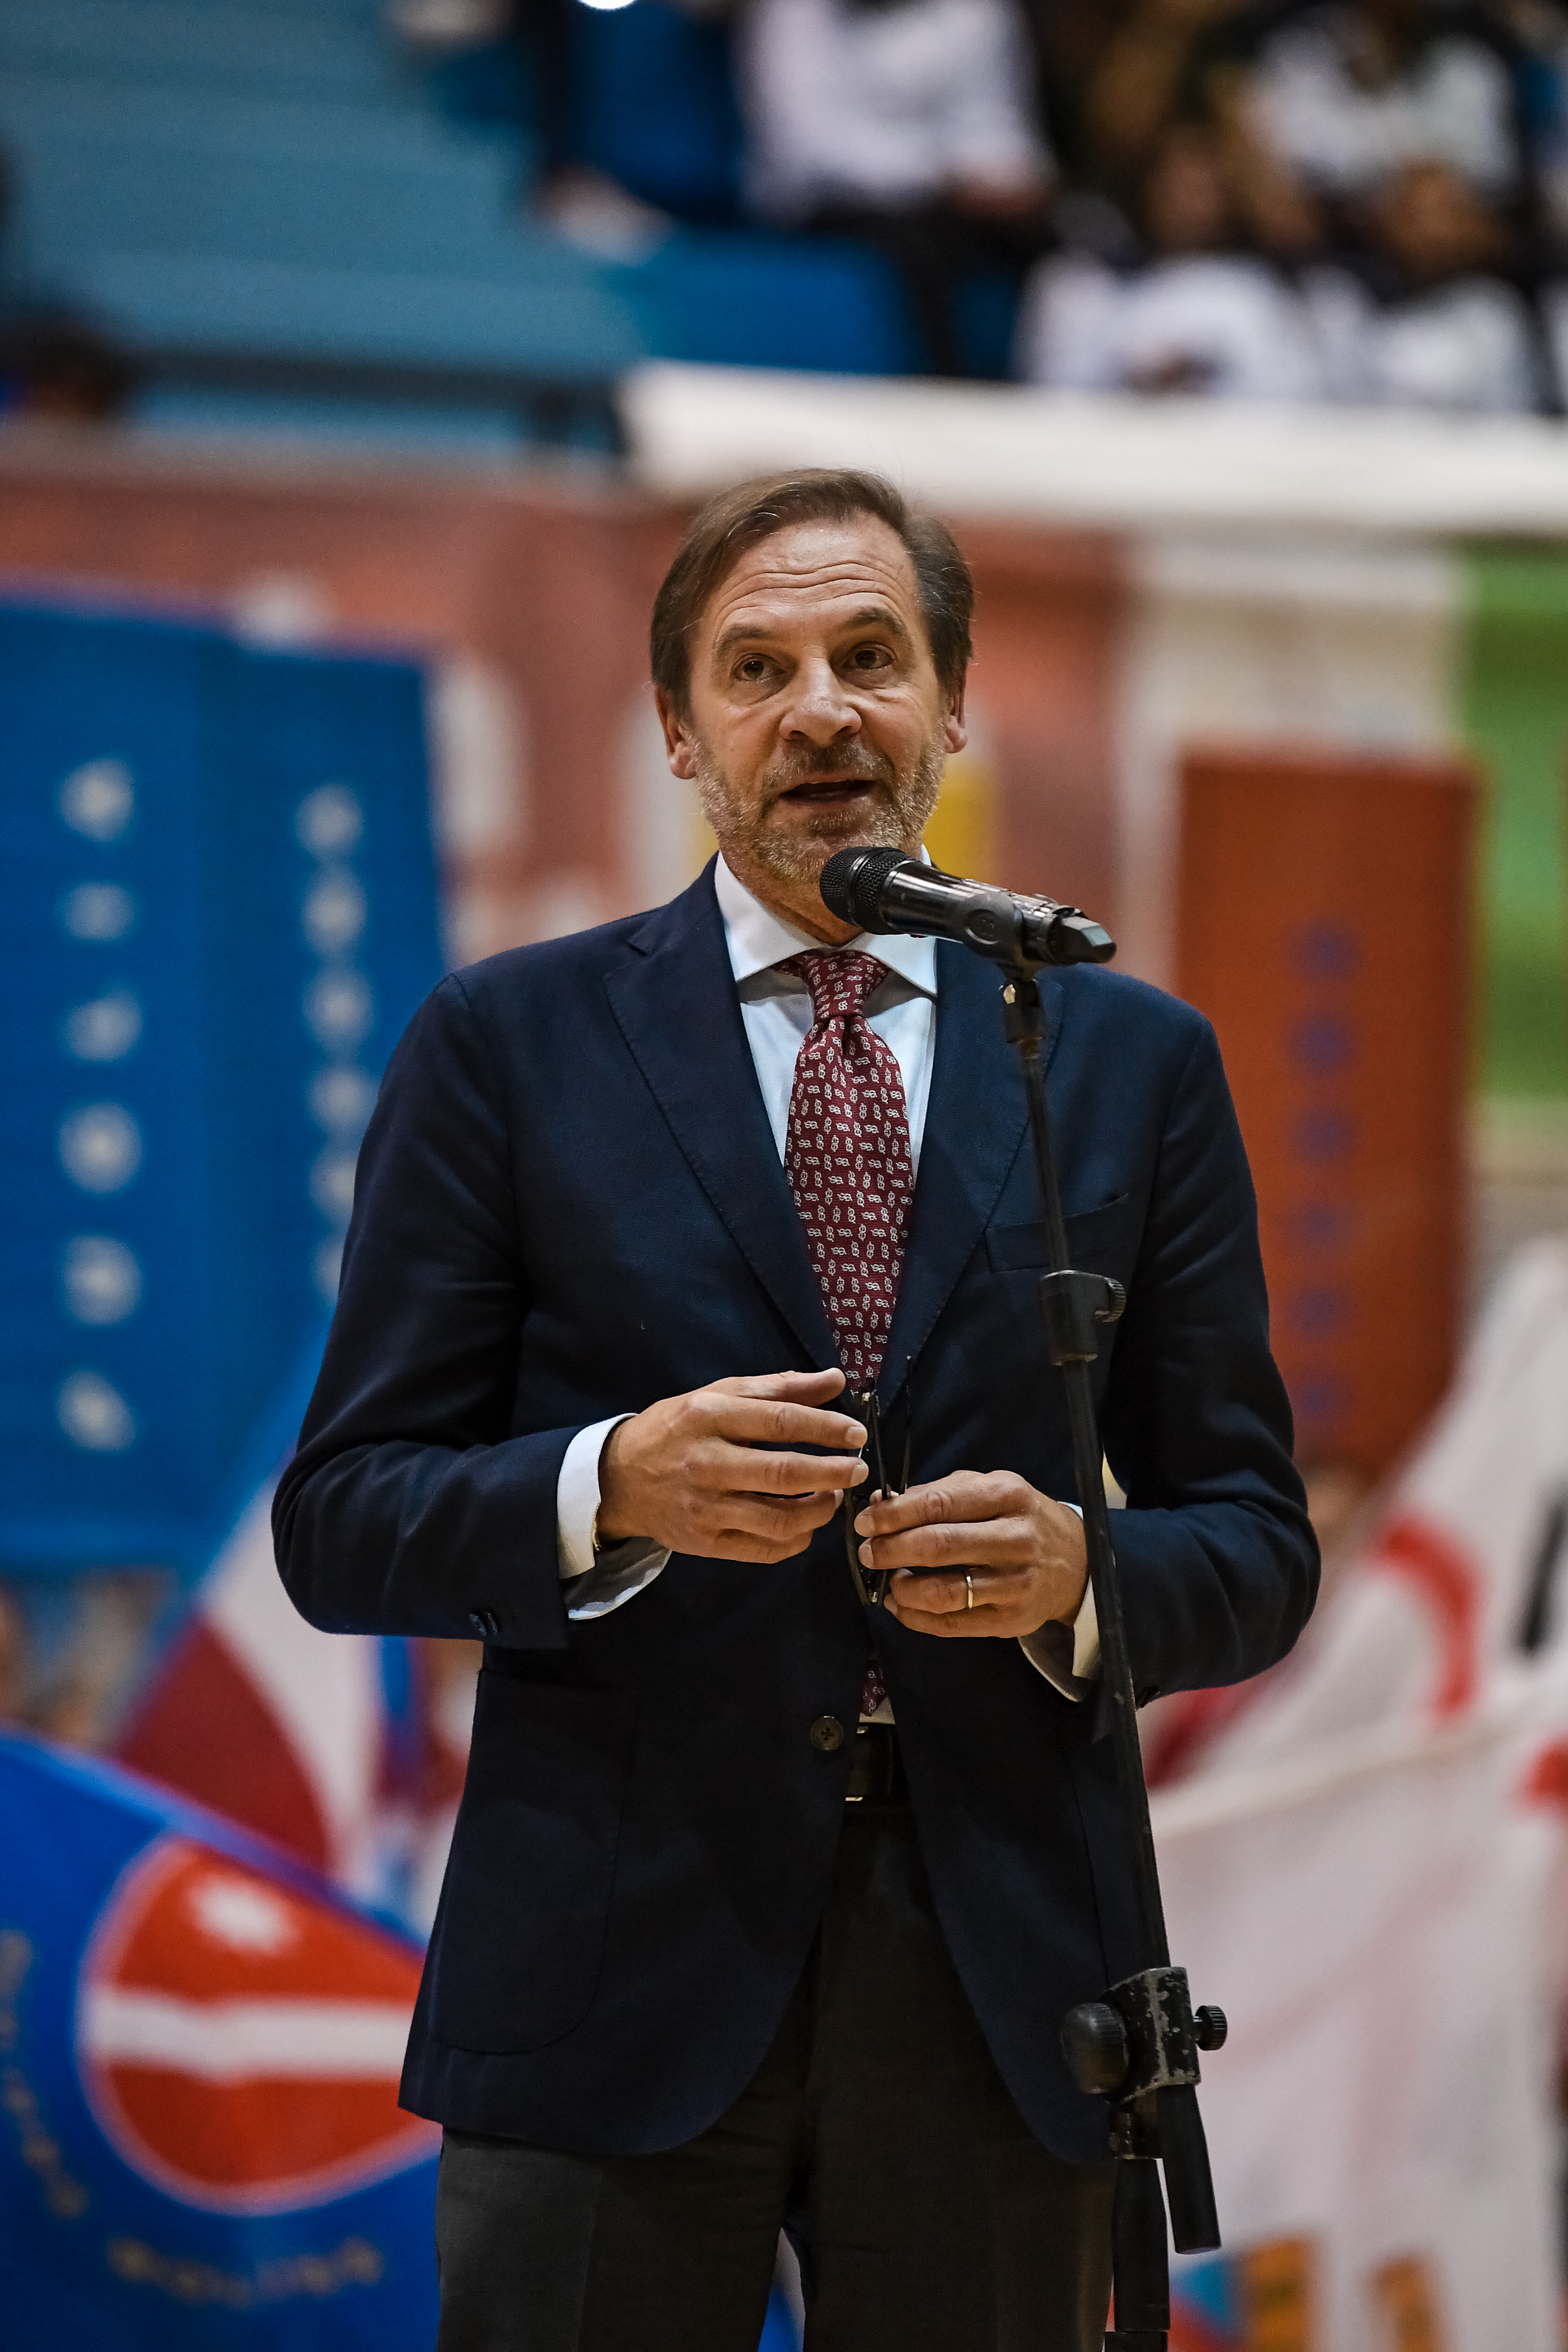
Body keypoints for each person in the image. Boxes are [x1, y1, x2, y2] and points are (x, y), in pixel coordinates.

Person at [273, 467, 1319, 2352]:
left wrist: (1081, 1572)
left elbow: (1249, 1542)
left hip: (1003, 1967)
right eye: (755, 668)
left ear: (950, 705)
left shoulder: (1120, 1059)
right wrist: (610, 1484)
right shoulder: (507, 1044)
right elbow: (342, 1517)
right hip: (611, 1950)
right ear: (678, 733)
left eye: (868, 655)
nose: (820, 707)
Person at [738, 0, 1057, 375]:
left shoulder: (978, 12)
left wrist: (1012, 180)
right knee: (921, 250)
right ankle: (945, 388)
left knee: (1050, 244)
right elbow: (810, 144)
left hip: (948, 202)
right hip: (821, 199)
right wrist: (941, 180)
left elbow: (992, 123)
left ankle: (1043, 390)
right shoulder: (794, 13)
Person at [1018, 113, 1327, 397]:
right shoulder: (1087, 284)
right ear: (1147, 188)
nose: (1188, 202)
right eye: (1174, 184)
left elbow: (1296, 398)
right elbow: (1056, 393)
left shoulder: (1258, 293)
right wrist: (1135, 378)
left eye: (1202, 188)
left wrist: (1204, 377)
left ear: (1227, 197)